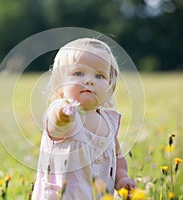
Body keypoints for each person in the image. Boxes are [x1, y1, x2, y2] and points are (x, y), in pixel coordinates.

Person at [32, 38, 135, 199]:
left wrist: (122, 177)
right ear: (60, 83)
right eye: (78, 73)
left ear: (110, 85)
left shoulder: (109, 122)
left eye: (99, 76)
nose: (89, 80)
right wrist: (64, 113)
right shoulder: (63, 111)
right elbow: (55, 123)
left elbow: (117, 156)